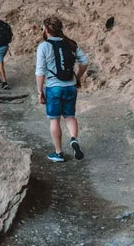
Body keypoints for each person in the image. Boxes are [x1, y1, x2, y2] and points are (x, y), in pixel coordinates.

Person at [35, 16, 89, 162]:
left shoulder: (43, 46)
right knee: (70, 116)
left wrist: (40, 92)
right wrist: (77, 77)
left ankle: (58, 153)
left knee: (54, 120)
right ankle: (73, 139)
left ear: (46, 30)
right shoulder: (70, 44)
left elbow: (40, 72)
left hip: (54, 88)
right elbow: (84, 61)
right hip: (70, 86)